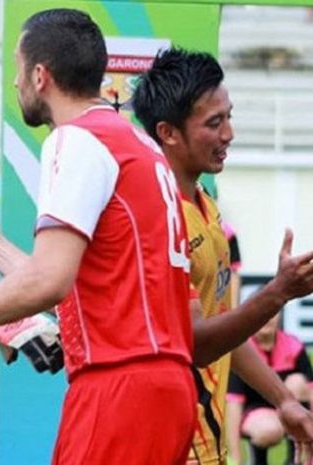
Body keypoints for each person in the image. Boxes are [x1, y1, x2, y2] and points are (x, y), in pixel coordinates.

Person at [0, 9, 199, 465]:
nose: (15, 83)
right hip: (160, 385)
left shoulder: (76, 140)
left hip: (121, 385)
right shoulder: (136, 142)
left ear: (40, 75)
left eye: (18, 70)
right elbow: (82, 283)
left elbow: (49, 282)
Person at [132, 47, 313, 465]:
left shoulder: (204, 204)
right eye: (215, 123)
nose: (229, 133)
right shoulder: (160, 219)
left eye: (229, 116)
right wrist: (277, 294)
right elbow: (197, 343)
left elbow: (220, 325)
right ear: (168, 132)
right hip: (176, 439)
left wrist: (283, 399)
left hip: (206, 434)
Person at [227, 312, 313, 465]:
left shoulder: (294, 345)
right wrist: (236, 458)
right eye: (263, 313)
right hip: (255, 415)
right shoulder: (242, 352)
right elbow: (234, 405)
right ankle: (258, 461)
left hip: (289, 411)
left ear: (279, 315)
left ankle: (294, 459)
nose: (267, 319)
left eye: (272, 313)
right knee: (269, 429)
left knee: (298, 382)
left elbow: (310, 391)